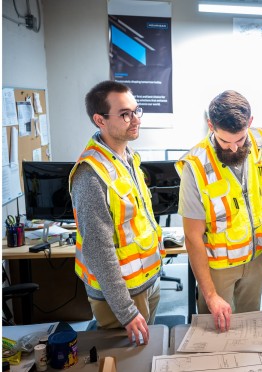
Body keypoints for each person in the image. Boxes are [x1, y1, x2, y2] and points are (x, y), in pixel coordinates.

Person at [69, 80, 166, 346]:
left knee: (145, 356)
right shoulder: (90, 174)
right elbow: (98, 249)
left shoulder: (128, 157)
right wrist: (126, 310)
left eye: (136, 111)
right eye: (125, 114)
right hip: (121, 297)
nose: (135, 120)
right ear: (99, 120)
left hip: (146, 282)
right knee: (125, 361)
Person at [176, 90, 262, 332]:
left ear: (250, 123)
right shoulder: (195, 165)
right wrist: (210, 295)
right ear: (210, 125)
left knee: (248, 326)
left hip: (257, 259)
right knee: (217, 330)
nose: (234, 149)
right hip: (218, 267)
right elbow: (193, 237)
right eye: (225, 142)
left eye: (240, 140)